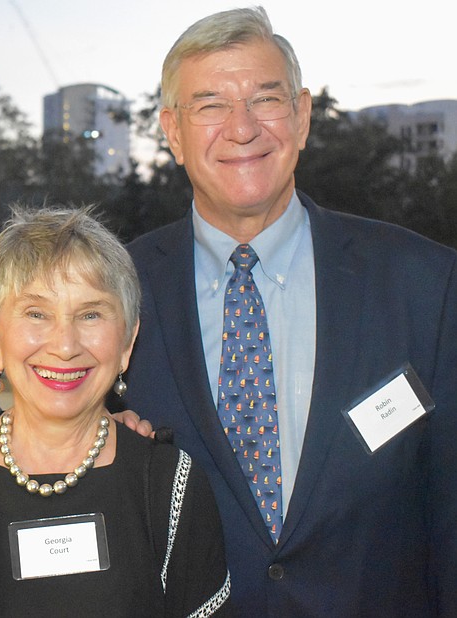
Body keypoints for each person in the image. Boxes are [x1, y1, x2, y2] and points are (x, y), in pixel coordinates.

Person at [123, 6, 457, 616]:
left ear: (302, 117)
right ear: (172, 131)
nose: (242, 128)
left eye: (265, 100)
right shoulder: (109, 295)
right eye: (210, 105)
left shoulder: (426, 284)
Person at [0, 206, 231, 617]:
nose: (65, 344)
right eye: (36, 313)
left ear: (127, 342)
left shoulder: (171, 486)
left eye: (90, 314)